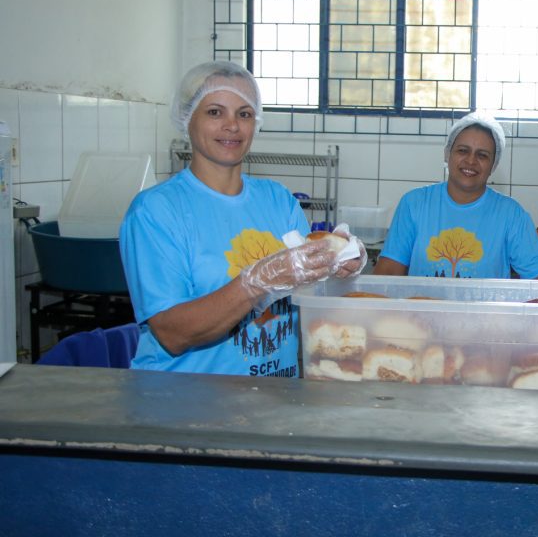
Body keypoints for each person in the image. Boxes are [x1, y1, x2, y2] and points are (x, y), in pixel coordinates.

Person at [119, 61, 366, 376]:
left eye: (245, 114)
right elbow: (172, 333)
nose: (232, 126)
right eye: (215, 112)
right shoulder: (156, 211)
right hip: (185, 397)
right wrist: (254, 284)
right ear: (187, 118)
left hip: (275, 395)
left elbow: (311, 298)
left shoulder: (278, 200)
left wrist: (339, 265)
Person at [374, 111, 538, 280]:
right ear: (448, 154)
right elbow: (388, 272)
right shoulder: (414, 204)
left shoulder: (511, 214)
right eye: (463, 150)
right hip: (421, 306)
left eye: (482, 155)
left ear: (493, 165)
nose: (471, 160)